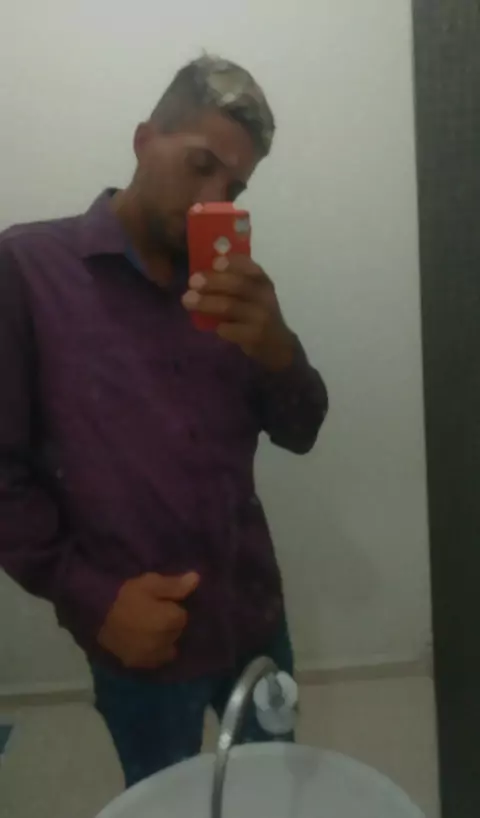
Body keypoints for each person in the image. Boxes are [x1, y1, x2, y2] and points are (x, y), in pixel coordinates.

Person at [0, 55, 328, 787]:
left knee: (272, 793)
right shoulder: (27, 270)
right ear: (145, 140)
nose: (213, 199)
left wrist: (278, 349)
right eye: (201, 165)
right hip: (140, 636)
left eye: (234, 188)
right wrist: (89, 599)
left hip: (253, 616)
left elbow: (302, 430)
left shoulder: (230, 287)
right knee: (163, 800)